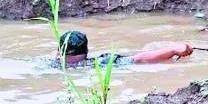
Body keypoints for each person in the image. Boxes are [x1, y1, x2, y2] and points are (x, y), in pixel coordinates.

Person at [56, 30, 194, 68]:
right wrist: (173, 50)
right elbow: (140, 58)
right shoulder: (102, 63)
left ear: (58, 51)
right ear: (86, 50)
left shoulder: (48, 66)